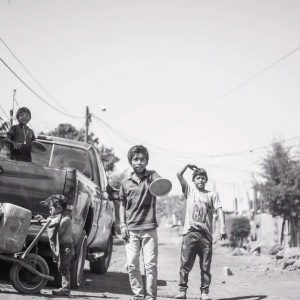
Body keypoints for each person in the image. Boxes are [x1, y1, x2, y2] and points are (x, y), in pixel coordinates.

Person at [175, 165, 227, 300]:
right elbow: (178, 175)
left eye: (203, 178)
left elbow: (220, 210)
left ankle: (204, 293)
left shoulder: (212, 195)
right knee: (185, 264)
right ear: (194, 180)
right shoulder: (189, 192)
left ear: (206, 180)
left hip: (206, 236)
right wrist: (187, 165)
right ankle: (182, 290)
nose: (200, 180)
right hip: (190, 233)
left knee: (205, 266)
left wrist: (223, 227)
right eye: (198, 178)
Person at [119, 145, 161, 300]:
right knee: (132, 265)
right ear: (130, 161)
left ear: (147, 161)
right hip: (131, 229)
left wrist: (155, 178)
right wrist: (122, 225)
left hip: (149, 228)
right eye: (135, 159)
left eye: (142, 159)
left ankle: (150, 297)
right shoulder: (125, 183)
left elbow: (161, 185)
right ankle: (138, 295)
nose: (139, 162)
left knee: (150, 266)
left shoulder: (152, 176)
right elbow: (122, 204)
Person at [36, 194, 74, 296]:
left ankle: (66, 289)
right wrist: (42, 220)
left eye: (51, 208)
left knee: (63, 267)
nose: (50, 211)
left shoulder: (65, 219)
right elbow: (52, 224)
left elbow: (55, 230)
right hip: (62, 246)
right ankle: (64, 288)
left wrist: (46, 221)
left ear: (59, 208)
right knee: (61, 267)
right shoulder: (59, 217)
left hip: (66, 247)